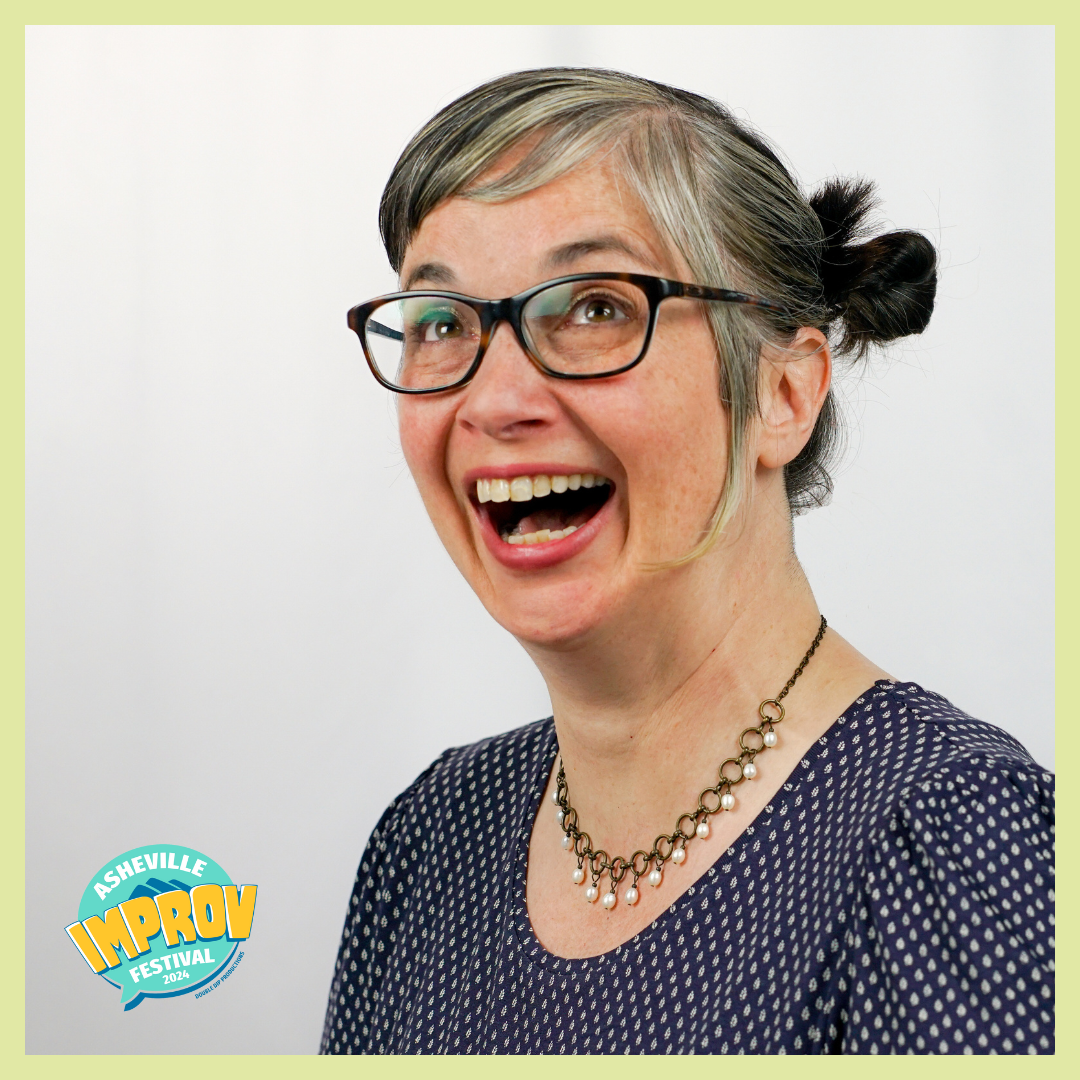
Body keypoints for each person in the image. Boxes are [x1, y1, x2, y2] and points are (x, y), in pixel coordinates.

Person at [320, 68, 1054, 1054]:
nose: (494, 403)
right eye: (442, 324)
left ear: (784, 392)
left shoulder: (957, 844)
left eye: (593, 309)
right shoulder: (429, 844)